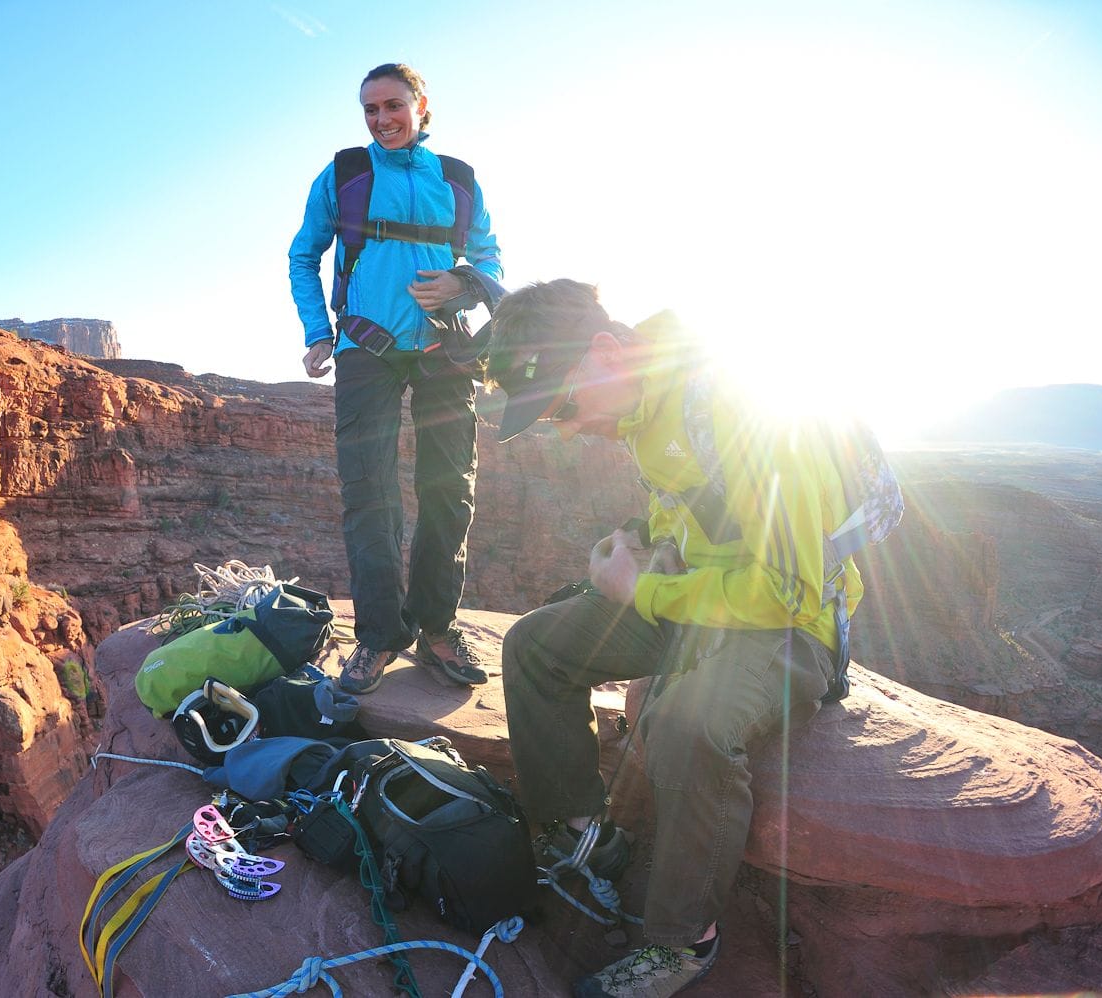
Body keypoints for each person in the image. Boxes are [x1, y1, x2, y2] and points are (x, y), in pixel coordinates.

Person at [486, 280, 859, 997]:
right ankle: (585, 837)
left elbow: (789, 589)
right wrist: (646, 543)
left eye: (563, 405)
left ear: (605, 352)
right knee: (534, 645)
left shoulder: (742, 409)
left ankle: (682, 943)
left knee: (690, 724)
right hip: (698, 602)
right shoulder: (646, 410)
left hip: (790, 627)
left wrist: (642, 590)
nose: (564, 429)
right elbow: (701, 515)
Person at [288, 63, 503, 695]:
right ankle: (380, 636)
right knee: (369, 492)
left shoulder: (458, 180)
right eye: (370, 109)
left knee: (448, 488)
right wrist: (316, 331)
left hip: (443, 349)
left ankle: (437, 627)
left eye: (392, 106)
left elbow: (488, 257)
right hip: (366, 347)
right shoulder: (346, 175)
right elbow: (304, 254)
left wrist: (463, 284)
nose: (382, 120)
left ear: (421, 104)